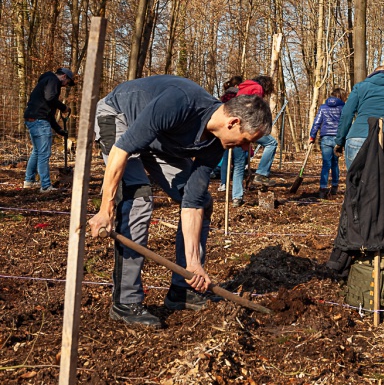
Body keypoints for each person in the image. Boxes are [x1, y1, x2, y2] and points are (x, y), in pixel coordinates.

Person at [88, 75, 272, 328]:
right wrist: (105, 209)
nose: (243, 148)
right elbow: (123, 150)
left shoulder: (215, 143)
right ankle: (126, 302)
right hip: (120, 118)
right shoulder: (179, 102)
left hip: (159, 141)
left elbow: (192, 201)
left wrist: (193, 263)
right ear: (233, 122)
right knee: (139, 198)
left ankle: (182, 289)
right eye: (246, 140)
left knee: (203, 202)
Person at [23, 68, 74, 192]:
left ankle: (29, 181)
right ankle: (45, 186)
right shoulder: (53, 80)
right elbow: (50, 98)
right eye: (67, 82)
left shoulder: (45, 82)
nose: (66, 85)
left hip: (32, 119)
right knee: (44, 154)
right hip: (39, 121)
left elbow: (49, 114)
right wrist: (63, 107)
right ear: (63, 76)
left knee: (37, 151)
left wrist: (59, 130)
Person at [237, 75, 279, 187]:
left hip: (237, 123)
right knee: (271, 143)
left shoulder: (243, 88)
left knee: (239, 161)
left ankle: (239, 192)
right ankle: (261, 174)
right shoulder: (257, 88)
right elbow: (256, 109)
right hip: (248, 124)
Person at [309, 87, 347, 199]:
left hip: (325, 138)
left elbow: (317, 122)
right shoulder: (343, 107)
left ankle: (322, 188)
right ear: (341, 97)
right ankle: (334, 186)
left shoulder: (323, 107)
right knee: (335, 163)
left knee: (326, 164)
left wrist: (312, 136)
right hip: (338, 139)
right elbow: (345, 123)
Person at [217, 76, 247, 207]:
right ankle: (237, 195)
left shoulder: (223, 97)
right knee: (239, 163)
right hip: (237, 132)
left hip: (224, 132)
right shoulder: (240, 97)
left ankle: (224, 183)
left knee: (225, 159)